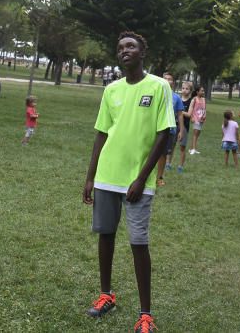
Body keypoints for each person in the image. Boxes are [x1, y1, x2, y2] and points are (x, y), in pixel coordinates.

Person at [83, 32, 173, 333]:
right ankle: (106, 294)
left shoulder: (159, 86)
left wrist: (141, 176)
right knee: (105, 235)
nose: (124, 51)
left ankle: (146, 314)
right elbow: (101, 133)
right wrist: (91, 176)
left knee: (138, 243)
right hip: (108, 176)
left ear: (142, 51)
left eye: (131, 46)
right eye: (120, 47)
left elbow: (164, 134)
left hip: (137, 181)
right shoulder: (111, 90)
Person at [155, 72, 185, 186]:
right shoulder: (156, 94)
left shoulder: (176, 97)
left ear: (173, 82)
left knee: (163, 154)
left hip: (169, 130)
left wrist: (181, 130)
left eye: (170, 79)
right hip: (154, 129)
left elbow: (180, 115)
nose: (167, 81)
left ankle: (159, 177)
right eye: (165, 78)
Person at [176, 81, 194, 173]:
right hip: (174, 124)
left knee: (182, 147)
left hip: (185, 127)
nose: (184, 90)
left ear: (190, 90)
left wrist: (179, 110)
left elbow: (189, 115)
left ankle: (180, 166)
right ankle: (168, 163)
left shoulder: (191, 101)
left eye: (187, 89)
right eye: (183, 88)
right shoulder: (177, 98)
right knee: (170, 145)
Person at [188, 85, 207, 154]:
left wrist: (205, 116)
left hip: (201, 119)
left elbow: (204, 108)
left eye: (203, 91)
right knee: (195, 134)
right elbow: (191, 109)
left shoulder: (204, 99)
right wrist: (192, 117)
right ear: (197, 92)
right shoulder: (194, 99)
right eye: (201, 91)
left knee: (197, 134)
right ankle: (193, 149)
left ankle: (191, 148)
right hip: (195, 119)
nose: (203, 92)